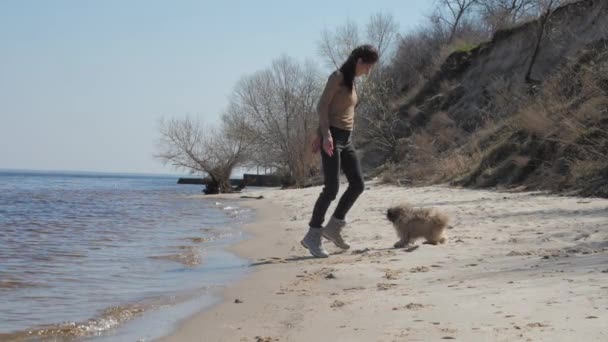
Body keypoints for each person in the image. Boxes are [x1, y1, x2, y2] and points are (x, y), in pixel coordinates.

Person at [301, 44, 379, 258]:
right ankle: (313, 235)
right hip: (333, 137)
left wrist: (321, 132)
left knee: (357, 184)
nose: (369, 71)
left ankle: (333, 228)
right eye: (368, 67)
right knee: (332, 188)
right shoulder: (337, 77)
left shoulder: (352, 82)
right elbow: (322, 106)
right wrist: (324, 134)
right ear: (359, 61)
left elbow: (336, 108)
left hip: (346, 138)